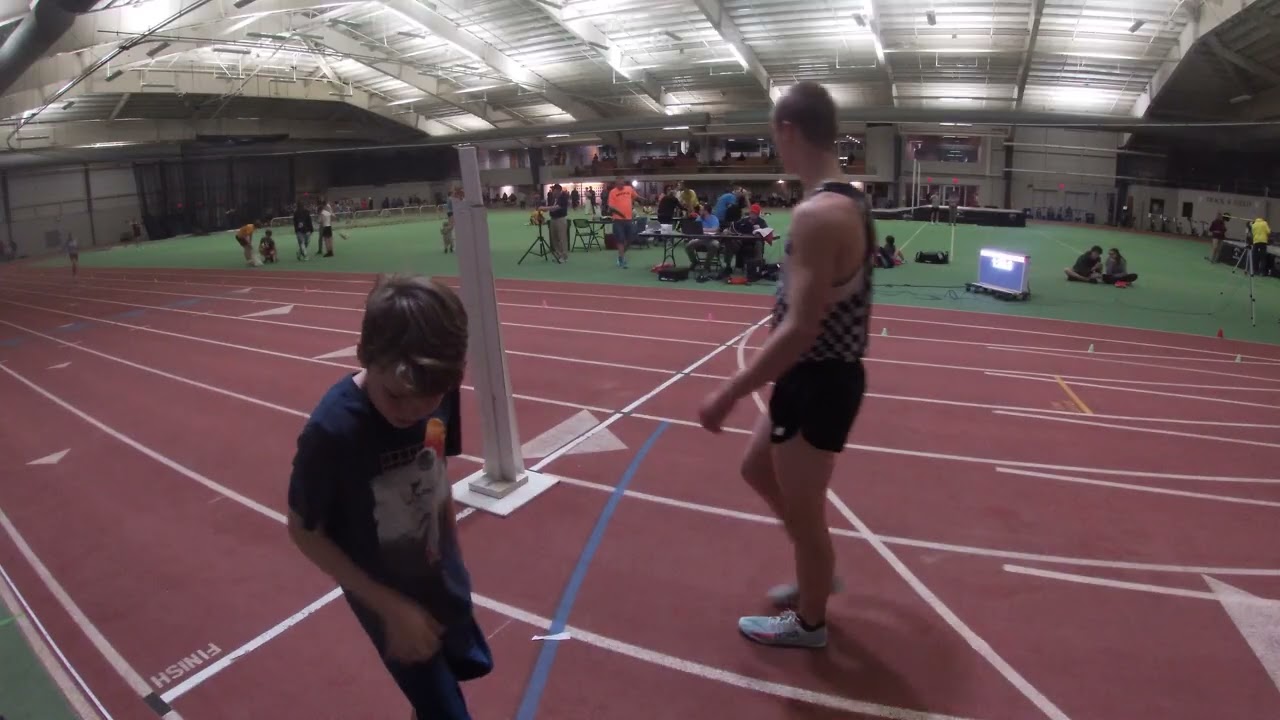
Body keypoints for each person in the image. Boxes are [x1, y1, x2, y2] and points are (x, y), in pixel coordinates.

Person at [698, 81, 873, 649]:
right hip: (814, 377)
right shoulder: (850, 196)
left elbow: (799, 328)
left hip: (819, 380)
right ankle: (813, 567)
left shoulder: (818, 215)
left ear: (789, 131)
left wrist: (730, 390)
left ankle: (811, 621)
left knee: (806, 513)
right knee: (757, 469)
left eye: (775, 135)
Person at [287, 275, 490, 719]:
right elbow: (304, 531)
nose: (411, 411)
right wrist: (389, 607)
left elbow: (436, 466)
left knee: (458, 673)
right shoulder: (333, 430)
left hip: (440, 573)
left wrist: (451, 551)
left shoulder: (438, 389)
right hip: (381, 589)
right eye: (395, 395)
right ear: (366, 356)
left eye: (428, 398)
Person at [607, 178, 638, 269]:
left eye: (622, 184)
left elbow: (635, 196)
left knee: (630, 239)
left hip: (629, 219)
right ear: (616, 184)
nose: (620, 185)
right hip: (618, 220)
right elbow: (611, 207)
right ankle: (621, 259)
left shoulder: (629, 189)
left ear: (624, 183)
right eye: (618, 184)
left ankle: (621, 255)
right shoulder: (612, 192)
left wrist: (640, 200)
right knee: (620, 239)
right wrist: (621, 214)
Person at [540, 184, 570, 263]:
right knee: (554, 239)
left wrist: (545, 208)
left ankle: (564, 256)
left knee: (562, 238)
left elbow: (557, 207)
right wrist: (545, 209)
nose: (552, 191)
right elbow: (551, 207)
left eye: (553, 190)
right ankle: (558, 255)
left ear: (558, 190)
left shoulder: (563, 197)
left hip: (560, 219)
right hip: (553, 219)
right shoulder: (553, 198)